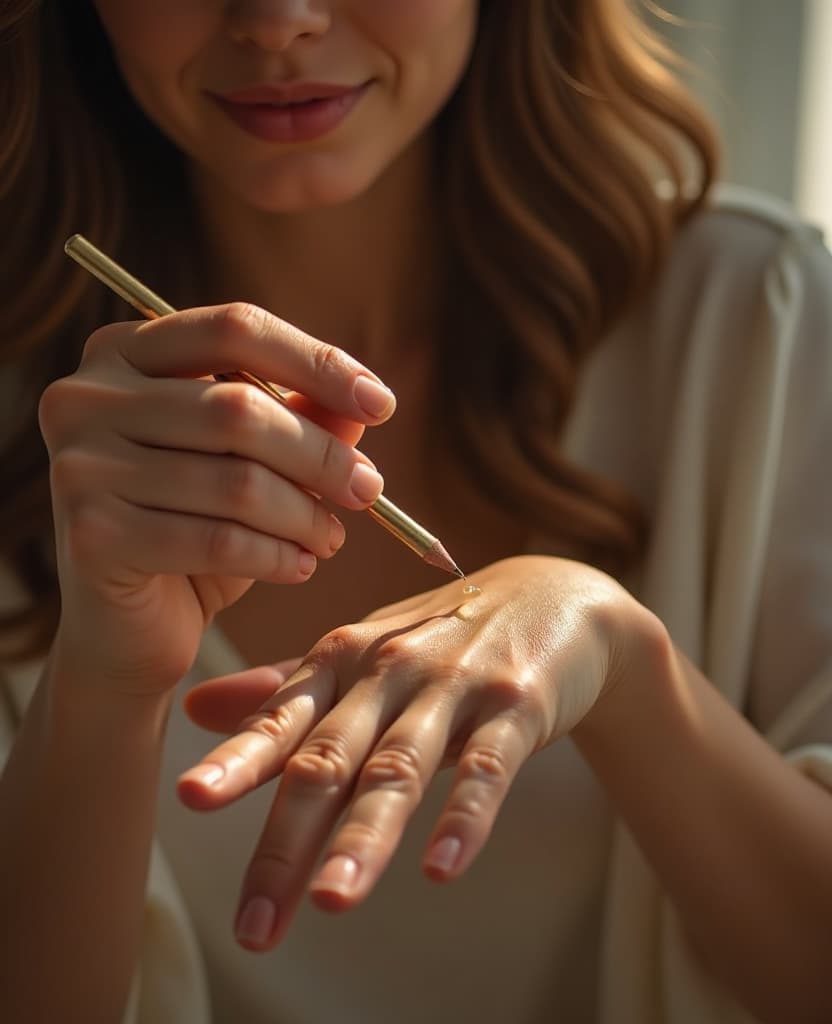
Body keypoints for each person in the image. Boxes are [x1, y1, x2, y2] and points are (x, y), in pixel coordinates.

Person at [1, 1, 830, 1021]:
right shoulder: (38, 421)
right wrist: (104, 680)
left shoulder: (761, 321)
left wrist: (616, 656)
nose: (277, 21)